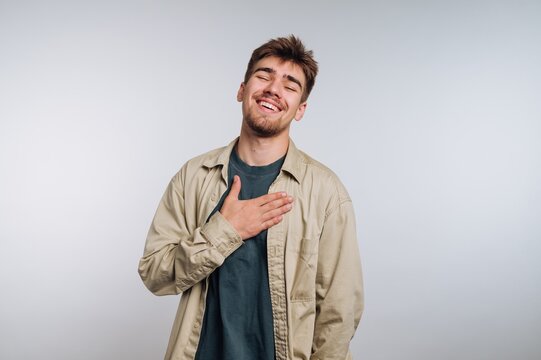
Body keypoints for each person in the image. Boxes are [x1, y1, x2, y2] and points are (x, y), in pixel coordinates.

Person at [138, 35, 363, 360]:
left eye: (290, 84)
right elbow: (154, 274)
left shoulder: (326, 192)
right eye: (264, 75)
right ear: (242, 89)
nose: (273, 88)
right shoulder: (194, 176)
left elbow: (338, 312)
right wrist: (224, 231)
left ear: (300, 109)